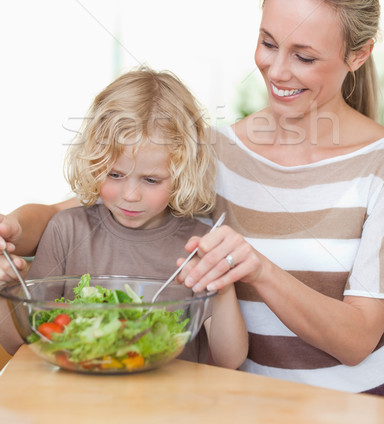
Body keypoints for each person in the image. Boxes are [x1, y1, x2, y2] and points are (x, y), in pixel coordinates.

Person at [1, 0, 384, 396]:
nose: (277, 69)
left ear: (359, 55)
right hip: (245, 405)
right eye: (268, 43)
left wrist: (259, 269)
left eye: (304, 56)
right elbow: (76, 209)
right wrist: (12, 226)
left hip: (360, 408)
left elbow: (357, 339)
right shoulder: (213, 151)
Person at [0, 67, 248, 369]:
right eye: (115, 175)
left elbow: (229, 360)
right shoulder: (67, 230)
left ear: (183, 174)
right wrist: (4, 289)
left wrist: (220, 287)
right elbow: (19, 344)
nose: (130, 195)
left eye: (151, 180)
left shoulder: (198, 246)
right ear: (94, 163)